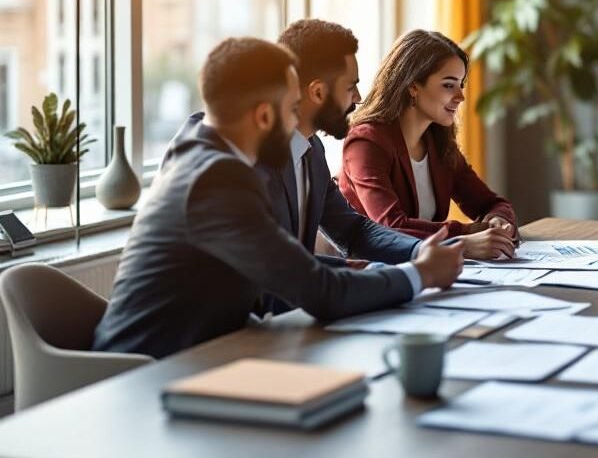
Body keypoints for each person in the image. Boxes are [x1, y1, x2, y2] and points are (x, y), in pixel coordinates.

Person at [93, 38, 463, 359]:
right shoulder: (216, 178)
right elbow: (317, 291)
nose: (296, 128)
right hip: (150, 372)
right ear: (265, 115)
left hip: (207, 355)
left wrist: (371, 268)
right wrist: (421, 273)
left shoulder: (205, 153)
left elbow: (282, 264)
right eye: (291, 110)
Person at [340, 30, 518, 261]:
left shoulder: (438, 142)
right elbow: (390, 227)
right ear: (413, 86)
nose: (460, 97)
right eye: (448, 85)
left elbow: (491, 203)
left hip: (422, 269)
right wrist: (466, 237)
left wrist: (499, 222)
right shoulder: (366, 142)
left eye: (460, 84)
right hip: (369, 272)